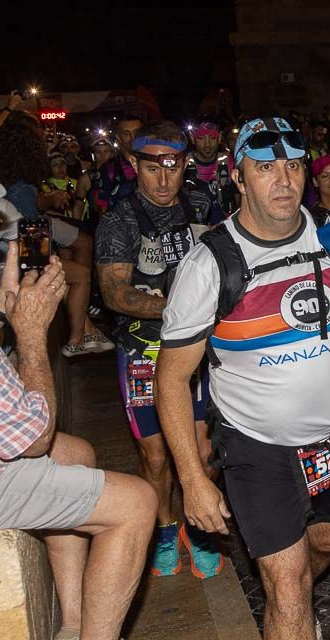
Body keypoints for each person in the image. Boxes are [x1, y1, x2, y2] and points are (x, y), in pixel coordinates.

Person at [156, 117, 330, 640]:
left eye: (293, 166)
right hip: (256, 446)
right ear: (237, 176)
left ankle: (295, 593)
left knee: (329, 543)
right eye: (264, 168)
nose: (283, 180)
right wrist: (191, 479)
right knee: (288, 588)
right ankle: (294, 608)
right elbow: (171, 379)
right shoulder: (212, 263)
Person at [0, 159, 157, 640]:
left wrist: (4, 301)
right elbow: (33, 438)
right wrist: (31, 331)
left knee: (78, 455)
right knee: (135, 502)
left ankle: (72, 622)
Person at [94, 120, 223, 579]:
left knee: (204, 451)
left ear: (185, 163)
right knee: (155, 455)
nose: (164, 180)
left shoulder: (204, 203)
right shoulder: (119, 220)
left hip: (202, 352)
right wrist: (181, 307)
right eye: (153, 169)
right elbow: (115, 294)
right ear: (133, 164)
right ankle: (166, 529)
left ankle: (200, 528)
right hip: (144, 350)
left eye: (173, 166)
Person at [0, 113, 107, 358]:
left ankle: (80, 318)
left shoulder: (2, 179)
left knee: (79, 245)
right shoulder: (23, 189)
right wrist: (57, 267)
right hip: (19, 255)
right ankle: (76, 338)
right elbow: (34, 245)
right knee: (81, 274)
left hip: (10, 246)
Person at [89, 117, 142, 216]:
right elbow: (102, 209)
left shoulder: (156, 162)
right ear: (118, 137)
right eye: (126, 133)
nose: (132, 137)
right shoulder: (108, 169)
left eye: (137, 132)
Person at [187, 121, 237, 212]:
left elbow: (238, 196)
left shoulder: (228, 161)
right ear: (192, 139)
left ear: (219, 138)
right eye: (201, 138)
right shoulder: (184, 163)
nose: (207, 145)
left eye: (213, 138)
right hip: (195, 222)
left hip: (225, 219)